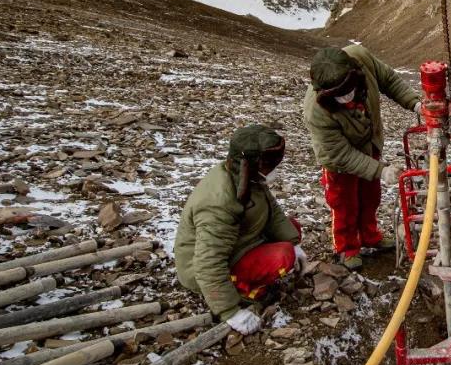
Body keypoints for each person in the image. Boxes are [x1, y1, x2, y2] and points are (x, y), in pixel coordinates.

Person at [174, 124, 307, 335]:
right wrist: (230, 312)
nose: (274, 170)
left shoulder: (244, 175)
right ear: (251, 163)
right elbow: (208, 263)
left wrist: (294, 241)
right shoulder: (219, 203)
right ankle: (243, 289)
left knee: (293, 229)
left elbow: (271, 208)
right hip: (203, 269)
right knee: (283, 256)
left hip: (240, 242)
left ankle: (254, 269)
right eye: (270, 165)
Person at [303, 45, 421, 270]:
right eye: (339, 95)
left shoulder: (362, 58)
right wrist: (381, 170)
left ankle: (370, 236)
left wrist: (414, 103)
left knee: (370, 195)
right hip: (340, 160)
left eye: (349, 89)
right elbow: (340, 154)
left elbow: (389, 80)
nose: (347, 97)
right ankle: (347, 248)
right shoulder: (316, 110)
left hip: (369, 143)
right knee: (344, 203)